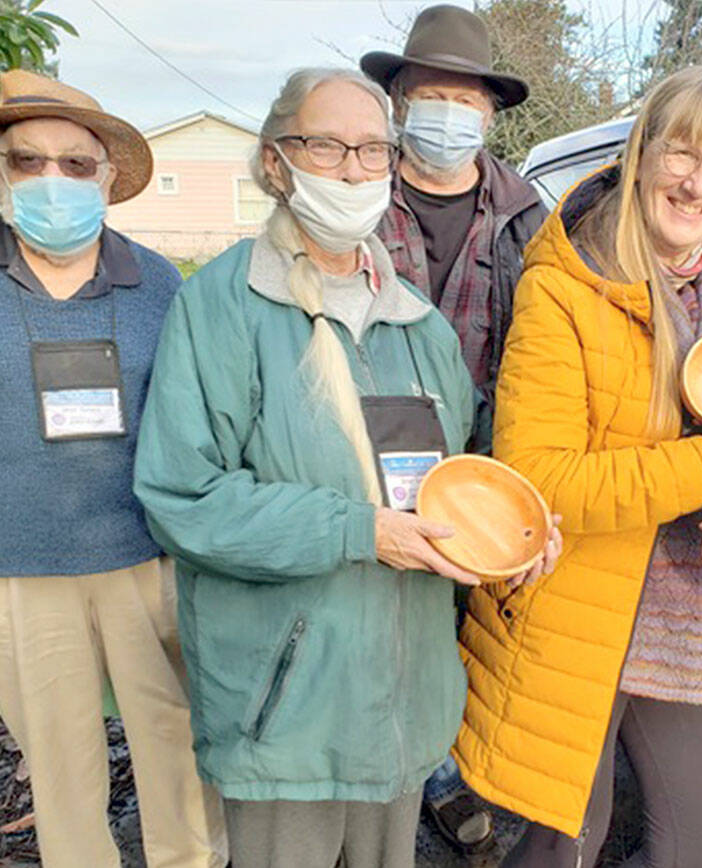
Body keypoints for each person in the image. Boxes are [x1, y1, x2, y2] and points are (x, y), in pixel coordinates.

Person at [131, 68, 559, 868]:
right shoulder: (221, 306)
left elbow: (456, 484)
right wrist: (361, 532)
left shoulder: (418, 326)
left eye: (372, 150)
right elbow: (183, 497)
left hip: (404, 708)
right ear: (274, 162)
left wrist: (517, 538)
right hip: (288, 712)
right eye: (325, 146)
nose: (354, 169)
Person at [451, 66, 702, 867]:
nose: (700, 184)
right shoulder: (566, 286)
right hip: (574, 604)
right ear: (642, 155)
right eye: (682, 153)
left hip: (677, 606)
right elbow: (538, 477)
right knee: (569, 839)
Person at [0, 71, 226, 868]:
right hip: (15, 560)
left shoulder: (156, 280)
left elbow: (182, 414)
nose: (53, 179)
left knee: (176, 738)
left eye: (76, 164)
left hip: (144, 552)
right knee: (58, 755)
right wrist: (17, 480)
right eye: (29, 160)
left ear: (108, 176)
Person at [360, 4, 547, 851]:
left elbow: (545, 345)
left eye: (465, 100)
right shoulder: (353, 198)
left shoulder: (528, 215)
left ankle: (442, 768)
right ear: (399, 100)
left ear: (490, 113)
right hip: (364, 448)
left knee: (458, 621)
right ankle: (368, 775)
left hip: (481, 451)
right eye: (430, 94)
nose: (447, 115)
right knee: (372, 610)